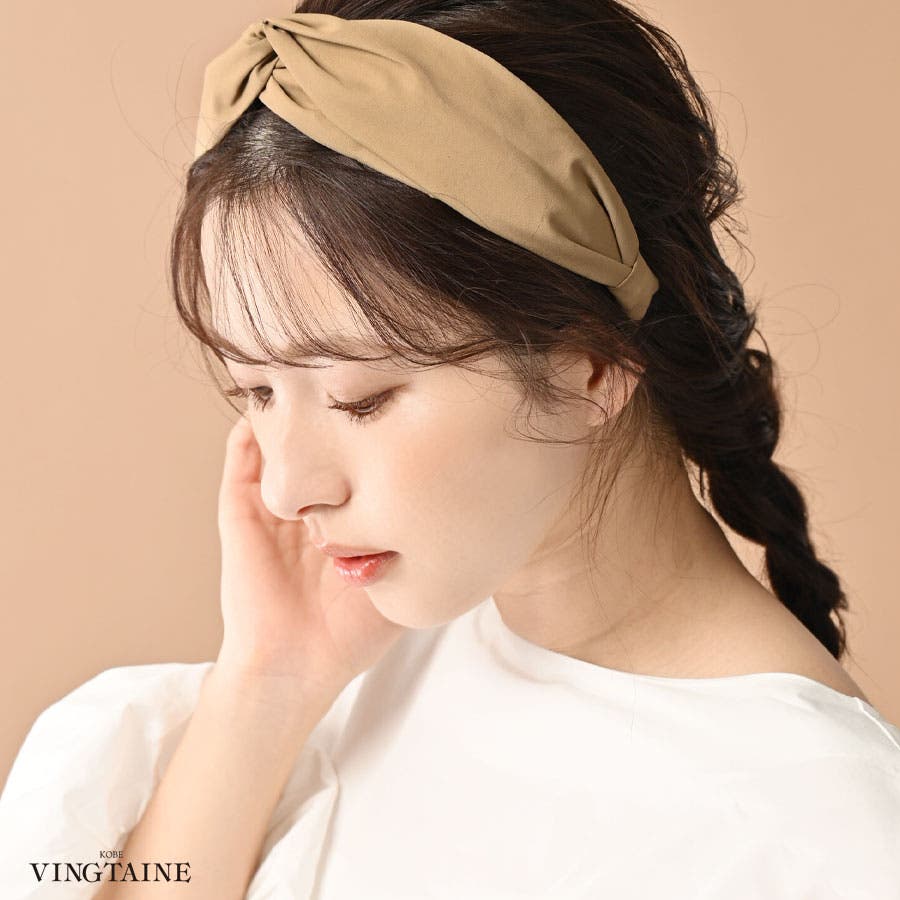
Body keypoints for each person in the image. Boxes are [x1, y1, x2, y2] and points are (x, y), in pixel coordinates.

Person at [1, 1, 898, 898]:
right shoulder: (371, 648)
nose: (285, 489)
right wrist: (270, 682)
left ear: (592, 368)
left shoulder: (819, 842)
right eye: (257, 391)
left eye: (360, 399)